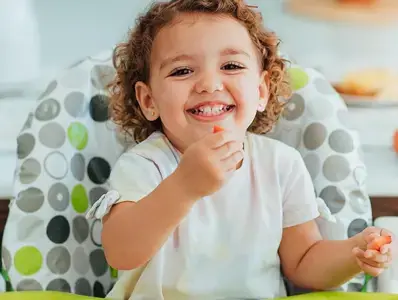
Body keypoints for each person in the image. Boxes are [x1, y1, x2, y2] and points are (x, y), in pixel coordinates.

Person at [86, 0, 395, 299]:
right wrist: (184, 186)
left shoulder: (280, 164)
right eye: (182, 71)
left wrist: (353, 255)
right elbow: (121, 253)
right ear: (149, 100)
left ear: (260, 91)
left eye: (231, 66)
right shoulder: (143, 165)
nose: (209, 84)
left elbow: (303, 261)